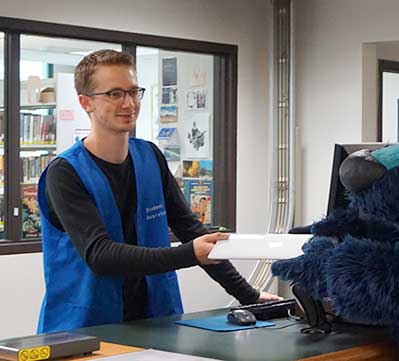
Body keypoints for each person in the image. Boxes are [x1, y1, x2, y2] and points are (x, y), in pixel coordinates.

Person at [37, 49, 281, 333]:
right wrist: (189, 254)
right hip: (85, 328)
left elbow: (190, 230)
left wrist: (249, 296)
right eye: (115, 94)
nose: (128, 103)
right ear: (85, 102)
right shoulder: (65, 173)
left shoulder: (150, 157)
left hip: (155, 321)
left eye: (133, 92)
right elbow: (100, 255)